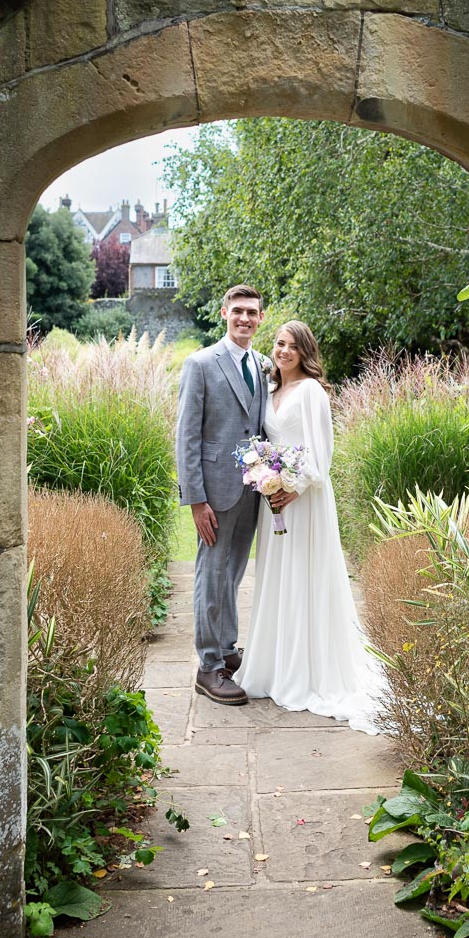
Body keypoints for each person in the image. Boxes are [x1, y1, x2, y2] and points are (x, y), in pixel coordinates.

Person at [237, 321, 382, 734]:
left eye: (292, 346)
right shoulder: (270, 390)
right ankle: (276, 665)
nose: (283, 351)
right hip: (274, 497)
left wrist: (293, 489)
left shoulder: (313, 392)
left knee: (307, 575)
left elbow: (323, 452)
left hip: (305, 498)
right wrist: (265, 477)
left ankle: (309, 671)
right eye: (279, 344)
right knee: (279, 576)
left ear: (305, 352)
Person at [175, 284, 267, 706]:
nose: (245, 318)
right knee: (211, 574)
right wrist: (196, 499)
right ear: (224, 313)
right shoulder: (200, 364)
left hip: (252, 488)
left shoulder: (263, 365)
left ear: (261, 318)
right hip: (214, 490)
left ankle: (228, 649)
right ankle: (208, 666)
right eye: (238, 311)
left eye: (252, 312)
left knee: (231, 574)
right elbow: (187, 436)